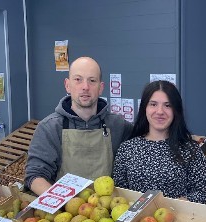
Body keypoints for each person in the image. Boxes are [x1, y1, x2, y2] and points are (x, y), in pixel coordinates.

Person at [25, 57, 132, 195]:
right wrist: (64, 205)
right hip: (65, 212)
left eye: (92, 80)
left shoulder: (118, 125)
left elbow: (145, 136)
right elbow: (35, 175)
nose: (85, 87)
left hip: (106, 210)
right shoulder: (49, 127)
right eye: (78, 79)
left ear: (101, 87)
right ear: (67, 85)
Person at [112, 80, 206, 204]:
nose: (160, 111)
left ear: (176, 110)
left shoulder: (191, 150)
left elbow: (202, 193)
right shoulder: (127, 149)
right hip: (137, 221)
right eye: (153, 104)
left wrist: (175, 205)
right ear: (145, 108)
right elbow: (119, 194)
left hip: (178, 220)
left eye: (167, 105)